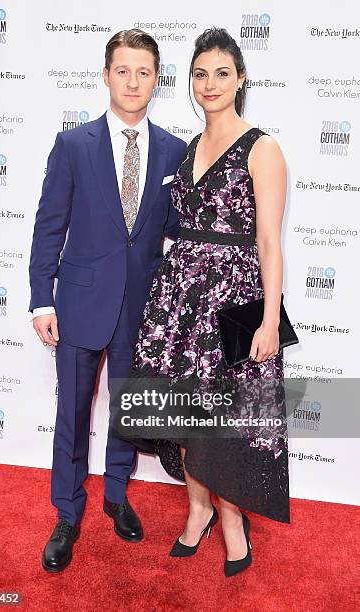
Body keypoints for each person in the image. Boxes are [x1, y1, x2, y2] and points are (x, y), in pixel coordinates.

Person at [120, 27, 290, 577]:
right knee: (188, 416)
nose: (210, 83)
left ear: (241, 79)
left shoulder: (262, 148)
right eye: (200, 74)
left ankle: (232, 521)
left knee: (228, 423)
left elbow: (268, 242)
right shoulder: (188, 147)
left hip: (234, 301)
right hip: (182, 301)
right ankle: (197, 512)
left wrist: (268, 320)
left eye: (222, 72)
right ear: (189, 83)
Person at [28, 28, 187, 573]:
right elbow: (49, 228)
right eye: (123, 70)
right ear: (105, 76)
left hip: (140, 309)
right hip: (78, 304)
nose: (133, 81)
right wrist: (39, 300)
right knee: (71, 415)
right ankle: (67, 513)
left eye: (144, 72)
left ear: (157, 81)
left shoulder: (173, 150)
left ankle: (117, 495)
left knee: (128, 409)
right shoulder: (72, 146)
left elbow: (178, 234)